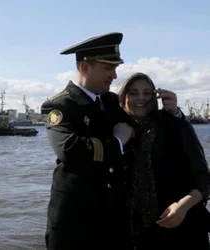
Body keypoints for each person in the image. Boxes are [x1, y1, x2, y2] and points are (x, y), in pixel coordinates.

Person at [41, 32, 182, 250]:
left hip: (114, 218)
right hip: (75, 220)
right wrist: (117, 141)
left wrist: (174, 114)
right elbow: (71, 151)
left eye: (115, 68)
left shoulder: (109, 102)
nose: (115, 75)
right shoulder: (60, 106)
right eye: (108, 68)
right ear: (85, 67)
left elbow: (140, 127)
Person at [118, 72, 210, 250]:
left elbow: (204, 178)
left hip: (182, 226)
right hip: (136, 234)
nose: (141, 98)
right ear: (123, 97)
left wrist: (182, 206)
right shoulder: (117, 130)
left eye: (147, 93)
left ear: (155, 96)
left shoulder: (175, 125)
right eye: (134, 93)